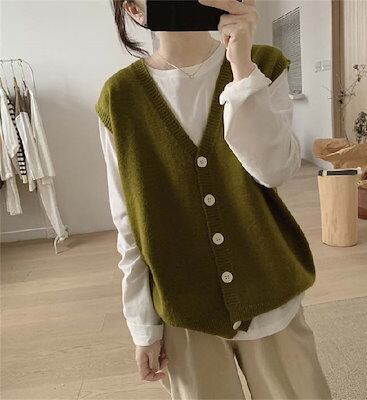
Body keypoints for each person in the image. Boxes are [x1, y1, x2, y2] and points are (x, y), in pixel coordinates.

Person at [96, 0, 333, 398]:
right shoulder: (119, 98)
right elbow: (128, 223)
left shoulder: (262, 64)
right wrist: (142, 325)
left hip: (268, 286)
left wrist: (242, 70)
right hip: (184, 307)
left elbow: (275, 170)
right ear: (134, 8)